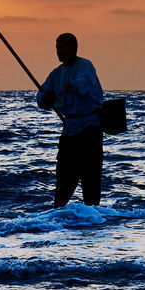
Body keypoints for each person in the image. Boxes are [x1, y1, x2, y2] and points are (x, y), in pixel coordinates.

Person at [36, 32, 103, 207]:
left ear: (74, 48)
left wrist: (72, 87)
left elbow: (85, 83)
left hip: (90, 130)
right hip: (69, 130)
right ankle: (60, 215)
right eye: (57, 48)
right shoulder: (55, 74)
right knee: (64, 182)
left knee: (90, 182)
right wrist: (45, 98)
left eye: (63, 47)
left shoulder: (85, 66)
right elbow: (40, 97)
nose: (59, 52)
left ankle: (93, 218)